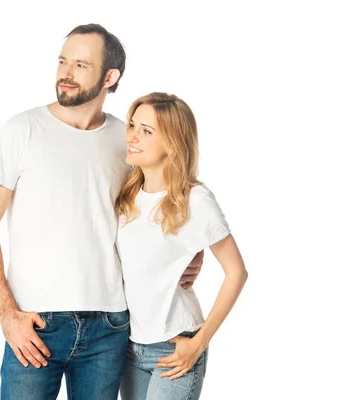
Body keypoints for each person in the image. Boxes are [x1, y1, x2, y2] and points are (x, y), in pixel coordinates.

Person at [0, 25, 204, 400]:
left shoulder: (126, 141)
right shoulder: (21, 130)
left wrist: (194, 251)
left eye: (81, 64)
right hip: (34, 325)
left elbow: (164, 200)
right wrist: (8, 316)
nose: (66, 72)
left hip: (110, 326)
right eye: (63, 61)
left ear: (110, 77)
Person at [115, 92, 249, 400]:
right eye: (133, 126)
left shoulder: (195, 200)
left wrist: (199, 342)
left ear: (173, 143)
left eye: (146, 131)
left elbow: (236, 273)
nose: (132, 136)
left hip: (174, 345)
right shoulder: (126, 194)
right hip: (128, 346)